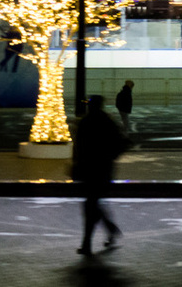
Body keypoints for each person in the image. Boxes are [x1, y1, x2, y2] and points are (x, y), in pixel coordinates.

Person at [73, 94, 129, 255]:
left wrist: (76, 165)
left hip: (89, 169)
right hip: (103, 169)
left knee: (90, 206)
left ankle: (88, 244)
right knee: (92, 204)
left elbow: (79, 148)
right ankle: (109, 231)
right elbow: (118, 143)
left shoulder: (85, 122)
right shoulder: (108, 121)